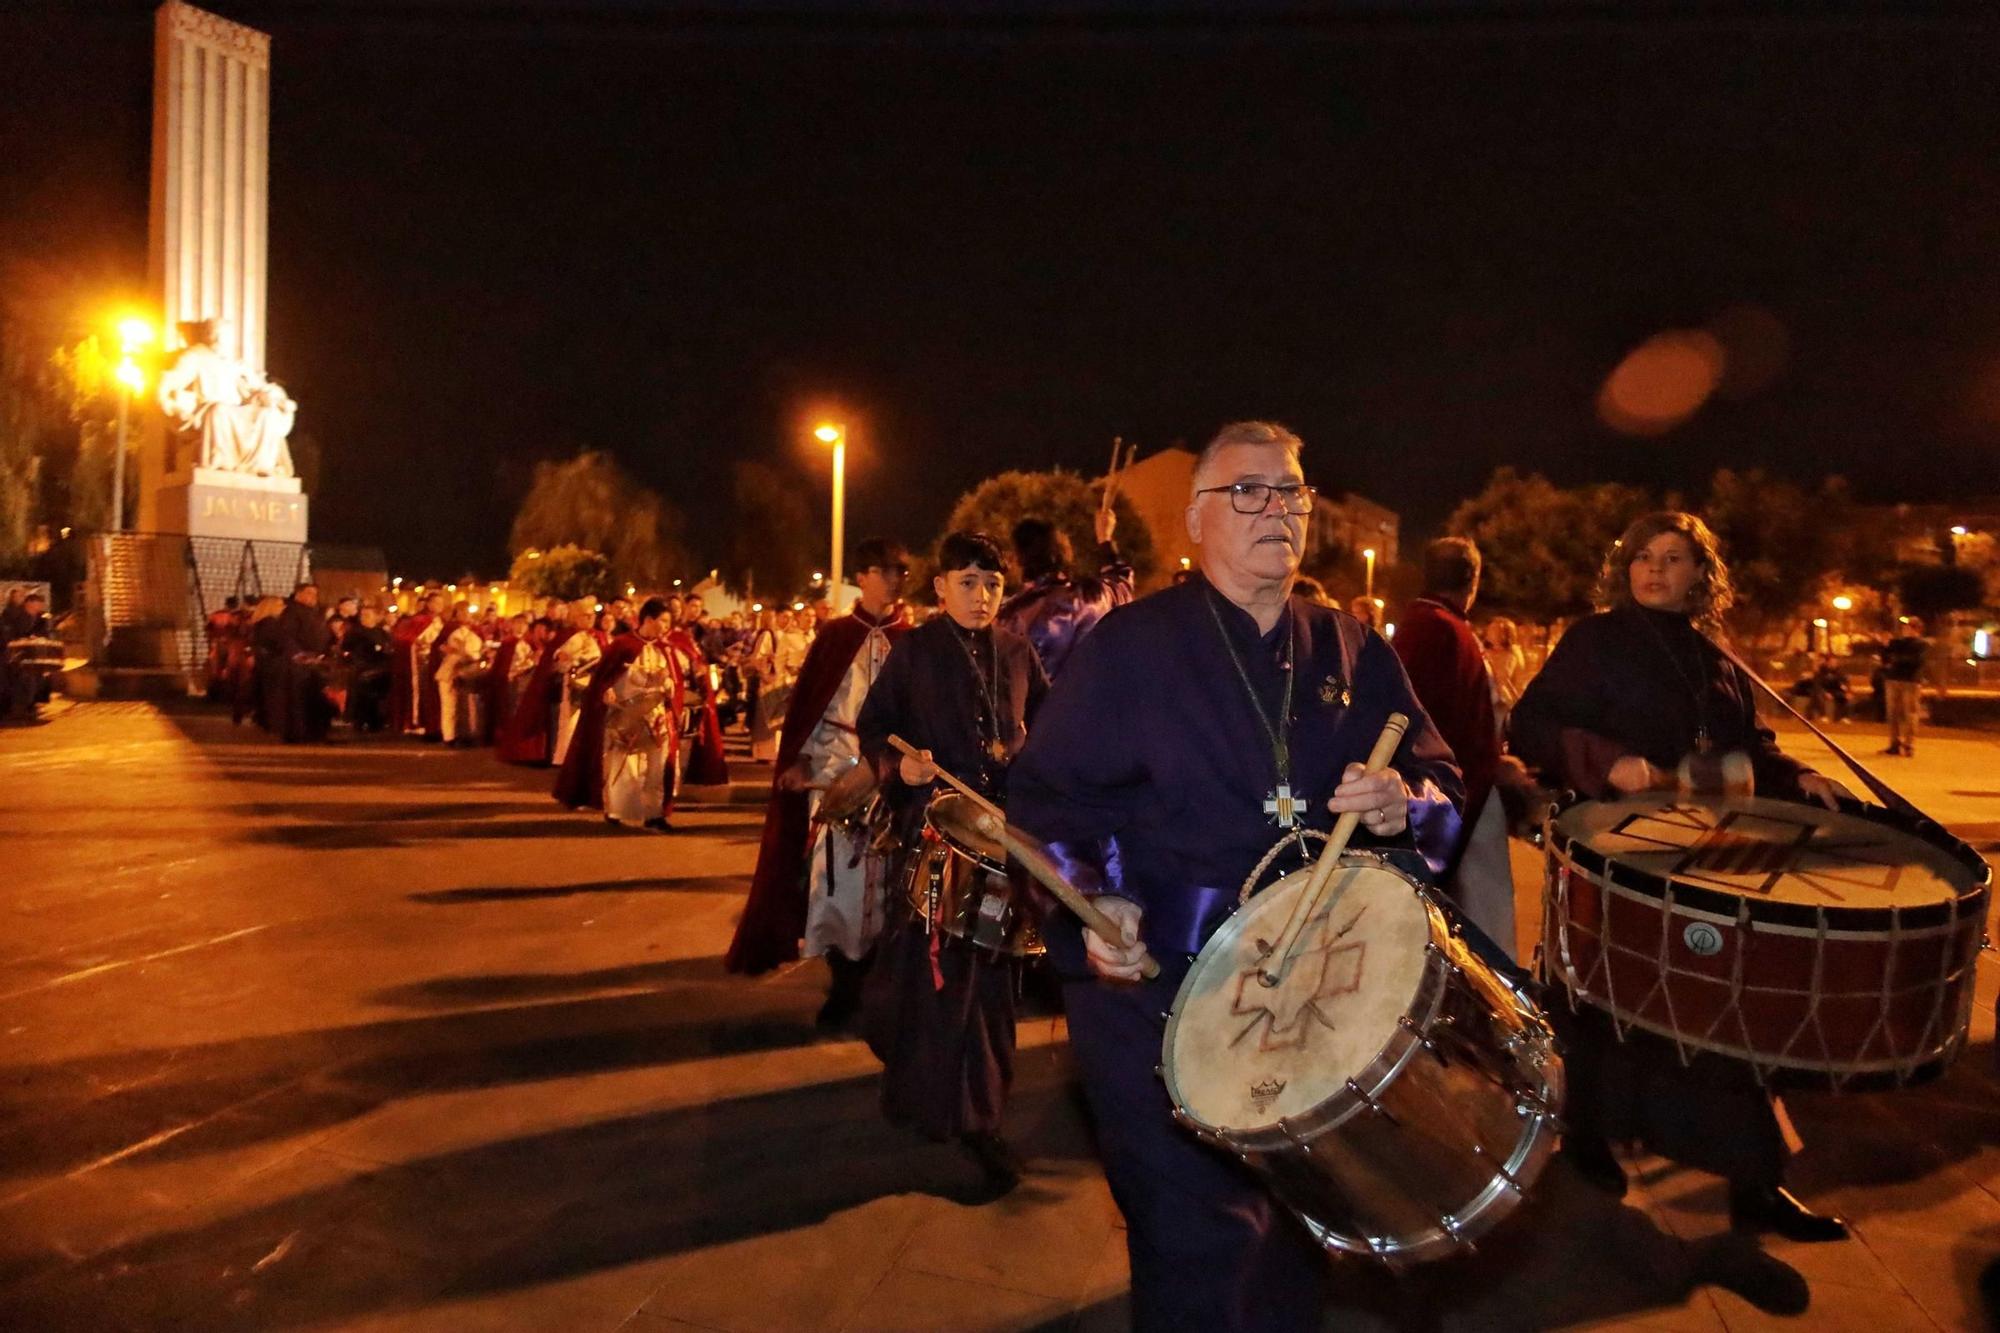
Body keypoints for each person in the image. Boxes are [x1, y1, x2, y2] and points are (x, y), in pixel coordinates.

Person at [1007, 421, 1462, 1332]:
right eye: (1247, 491)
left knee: (1295, 1233)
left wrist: (1400, 803)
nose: (1276, 509)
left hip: (1311, 1001)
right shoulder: (1129, 646)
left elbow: (1442, 784)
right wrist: (1093, 901)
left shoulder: (1353, 647)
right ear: (1195, 522)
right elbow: (1045, 801)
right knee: (1198, 1242)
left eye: (1291, 492)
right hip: (1159, 997)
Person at [1510, 510, 1851, 1242]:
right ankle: (1589, 1138)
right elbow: (1530, 725)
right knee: (1599, 1001)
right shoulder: (1595, 640)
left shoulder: (1718, 661)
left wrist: (1801, 773)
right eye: (1642, 557)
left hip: (1707, 854)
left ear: (1702, 574)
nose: (1655, 570)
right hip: (1615, 855)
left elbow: (1748, 749)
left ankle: (1756, 1183)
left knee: (1730, 1009)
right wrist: (1606, 760)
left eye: (1673, 558)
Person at [857, 531, 1048, 1196]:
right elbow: (875, 724)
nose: (981, 595)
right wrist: (899, 764)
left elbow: (1050, 738)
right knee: (934, 975)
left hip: (1005, 844)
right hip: (937, 836)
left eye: (992, 583)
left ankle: (981, 1115)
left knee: (993, 988)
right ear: (940, 587)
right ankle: (927, 1098)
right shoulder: (915, 653)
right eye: (967, 582)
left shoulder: (1020, 653)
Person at [727, 539, 914, 1027]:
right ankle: (844, 985)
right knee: (837, 885)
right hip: (834, 774)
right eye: (890, 570)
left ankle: (880, 985)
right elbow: (810, 707)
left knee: (891, 888)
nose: (898, 579)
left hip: (892, 777)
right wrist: (801, 763)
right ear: (865, 574)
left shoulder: (912, 640)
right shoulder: (833, 637)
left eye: (903, 571)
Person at [1392, 536, 1514, 957]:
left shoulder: (1420, 624)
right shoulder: (1445, 630)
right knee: (1481, 919)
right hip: (1453, 797)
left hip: (1452, 793)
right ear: (1473, 579)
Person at [553, 597, 682, 830]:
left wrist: (670, 686)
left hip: (656, 717)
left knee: (657, 766)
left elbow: (674, 679)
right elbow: (603, 679)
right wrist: (607, 691)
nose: (666, 627)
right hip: (625, 715)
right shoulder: (623, 645)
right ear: (649, 620)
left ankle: (654, 814)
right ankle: (617, 810)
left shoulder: (665, 649)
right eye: (662, 621)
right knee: (623, 766)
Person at [997, 508, 1133, 680]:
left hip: (1046, 706)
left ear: (1018, 559)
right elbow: (1121, 581)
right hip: (1096, 702)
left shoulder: (1012, 617)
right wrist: (1105, 538)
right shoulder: (1095, 595)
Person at [270, 582, 334, 743]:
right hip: (299, 664)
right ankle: (298, 733)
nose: (313, 597)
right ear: (299, 594)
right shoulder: (291, 612)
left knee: (314, 698)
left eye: (315, 594)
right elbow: (286, 636)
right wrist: (299, 655)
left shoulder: (315, 613)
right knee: (298, 700)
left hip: (316, 661)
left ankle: (315, 732)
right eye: (309, 593)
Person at [551, 601, 607, 766]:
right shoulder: (572, 636)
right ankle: (569, 756)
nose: (590, 618)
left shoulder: (598, 635)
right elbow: (560, 658)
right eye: (586, 615)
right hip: (577, 683)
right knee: (572, 720)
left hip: (596, 683)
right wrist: (576, 662)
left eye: (592, 615)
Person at [391, 592, 444, 735]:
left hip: (434, 661)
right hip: (420, 661)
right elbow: (408, 639)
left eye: (441, 603)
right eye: (437, 603)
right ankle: (416, 721)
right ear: (429, 604)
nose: (440, 606)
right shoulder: (419, 620)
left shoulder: (439, 620)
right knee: (419, 691)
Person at [434, 603, 486, 747]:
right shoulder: (449, 629)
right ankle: (449, 736)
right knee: (449, 704)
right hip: (449, 670)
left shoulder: (477, 630)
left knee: (468, 705)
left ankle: (468, 734)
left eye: (466, 612)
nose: (464, 615)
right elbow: (438, 645)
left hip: (470, 671)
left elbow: (483, 650)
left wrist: (473, 657)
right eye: (460, 612)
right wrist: (447, 649)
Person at [340, 602, 395, 733]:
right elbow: (345, 649)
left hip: (379, 668)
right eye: (363, 615)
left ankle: (375, 721)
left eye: (368, 615)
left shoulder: (382, 632)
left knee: (376, 697)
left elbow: (388, 647)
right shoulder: (354, 632)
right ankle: (359, 721)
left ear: (376, 617)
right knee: (360, 697)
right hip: (361, 667)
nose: (364, 617)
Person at [1880, 616, 1929, 756]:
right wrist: (1884, 646)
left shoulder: (1921, 644)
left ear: (1917, 630)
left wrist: (1895, 659)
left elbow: (1915, 661)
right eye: (1906, 627)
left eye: (1910, 627)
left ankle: (1909, 745)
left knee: (1910, 714)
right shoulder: (1897, 643)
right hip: (1893, 679)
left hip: (1911, 681)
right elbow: (1885, 658)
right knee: (1892, 714)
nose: (1906, 629)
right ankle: (1894, 744)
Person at [1483, 615, 1528, 732]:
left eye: (1493, 630)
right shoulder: (1486, 652)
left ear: (1503, 634)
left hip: (1501, 700)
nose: (1488, 632)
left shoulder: (1512, 654)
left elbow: (1504, 677)